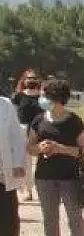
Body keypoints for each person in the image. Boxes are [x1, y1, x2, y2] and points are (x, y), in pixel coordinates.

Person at [26, 79, 84, 236]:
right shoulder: (38, 120)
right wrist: (38, 148)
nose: (42, 99)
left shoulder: (74, 121)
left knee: (74, 218)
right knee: (50, 218)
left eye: (45, 96)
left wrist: (60, 148)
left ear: (56, 99)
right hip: (44, 177)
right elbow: (29, 147)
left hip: (70, 177)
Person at [0, 94, 26, 236]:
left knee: (8, 214)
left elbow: (16, 137)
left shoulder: (6, 104)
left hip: (3, 170)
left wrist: (18, 162)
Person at [12, 70, 42, 202]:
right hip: (23, 130)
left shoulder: (43, 97)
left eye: (33, 78)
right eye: (28, 78)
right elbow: (12, 114)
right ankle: (29, 191)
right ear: (23, 80)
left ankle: (45, 189)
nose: (31, 80)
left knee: (43, 160)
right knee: (26, 162)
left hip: (40, 129)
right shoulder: (18, 96)